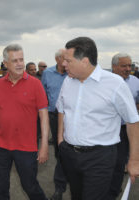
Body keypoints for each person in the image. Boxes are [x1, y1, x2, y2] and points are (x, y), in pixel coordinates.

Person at [56, 37, 139, 200]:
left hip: (100, 158)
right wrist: (60, 141)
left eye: (68, 60)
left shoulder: (114, 84)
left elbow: (132, 121)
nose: (63, 64)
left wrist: (134, 160)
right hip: (70, 155)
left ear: (85, 61)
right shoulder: (68, 81)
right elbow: (62, 110)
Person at [0, 44, 49, 200]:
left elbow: (44, 115)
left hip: (26, 147)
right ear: (5, 64)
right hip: (2, 145)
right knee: (1, 185)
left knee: (29, 186)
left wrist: (44, 145)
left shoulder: (35, 84)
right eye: (15, 60)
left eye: (21, 59)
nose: (20, 64)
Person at [108, 53, 139, 199]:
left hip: (125, 130)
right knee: (106, 163)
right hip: (107, 130)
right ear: (114, 67)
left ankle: (113, 192)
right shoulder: (106, 82)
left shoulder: (135, 82)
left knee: (119, 164)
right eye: (124, 66)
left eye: (130, 65)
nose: (128, 69)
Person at [41, 49, 67, 200]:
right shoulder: (47, 73)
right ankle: (61, 182)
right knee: (59, 150)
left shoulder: (73, 73)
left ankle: (61, 185)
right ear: (57, 59)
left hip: (71, 117)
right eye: (64, 58)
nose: (67, 61)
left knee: (67, 150)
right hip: (54, 116)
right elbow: (43, 94)